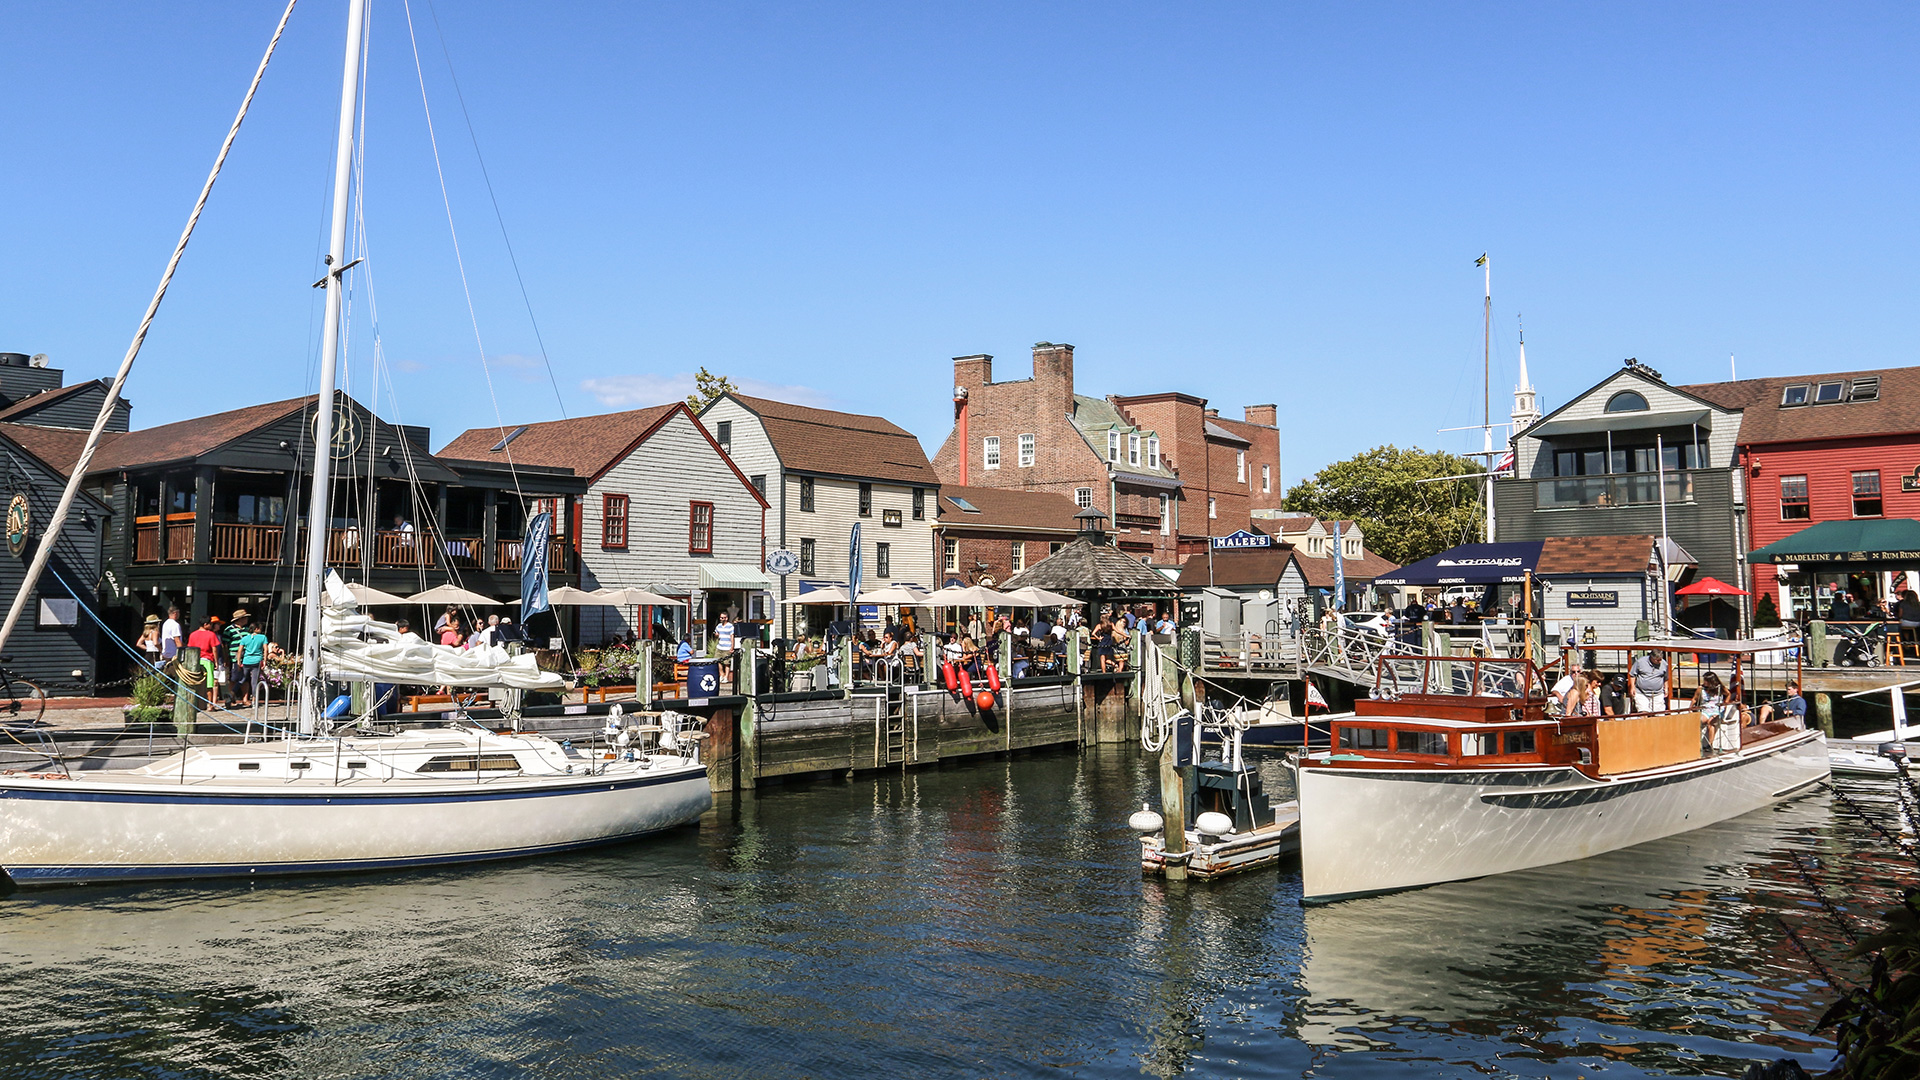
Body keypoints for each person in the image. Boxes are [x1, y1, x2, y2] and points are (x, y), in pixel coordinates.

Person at [237, 618, 268, 707]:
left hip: (246, 660)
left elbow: (240, 650)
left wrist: (239, 661)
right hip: (257, 660)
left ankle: (232, 693)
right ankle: (254, 699)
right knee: (254, 681)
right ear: (256, 629)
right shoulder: (263, 637)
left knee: (242, 679)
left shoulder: (245, 638)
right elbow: (265, 650)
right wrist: (265, 660)